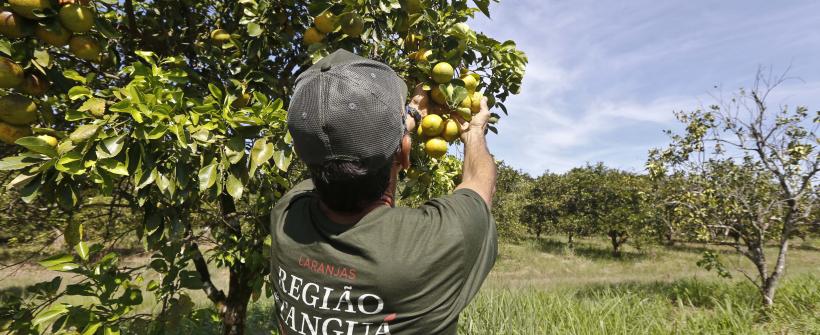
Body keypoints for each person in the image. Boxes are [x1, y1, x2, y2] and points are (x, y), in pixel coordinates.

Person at [269, 49, 497, 335]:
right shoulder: (435, 245)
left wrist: (407, 121)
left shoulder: (286, 216)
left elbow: (333, 154)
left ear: (303, 154)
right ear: (404, 153)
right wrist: (474, 131)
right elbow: (479, 183)